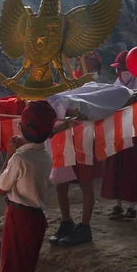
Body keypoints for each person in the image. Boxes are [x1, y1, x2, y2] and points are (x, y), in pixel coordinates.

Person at [0, 101, 56, 272]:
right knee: (23, 269)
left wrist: (9, 155)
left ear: (21, 128)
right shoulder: (46, 155)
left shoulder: (19, 159)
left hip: (19, 217)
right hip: (35, 217)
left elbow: (0, 188)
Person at [50, 51, 105, 247]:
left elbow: (96, 110)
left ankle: (84, 227)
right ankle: (66, 222)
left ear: (96, 69)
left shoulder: (96, 88)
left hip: (86, 138)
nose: (81, 67)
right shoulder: (68, 85)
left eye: (86, 64)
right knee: (61, 183)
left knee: (85, 183)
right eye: (79, 64)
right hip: (65, 139)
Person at [101, 51, 137, 219]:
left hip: (134, 132)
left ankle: (132, 206)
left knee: (131, 168)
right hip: (118, 132)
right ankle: (118, 204)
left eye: (122, 69)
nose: (120, 72)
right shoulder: (117, 84)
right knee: (117, 169)